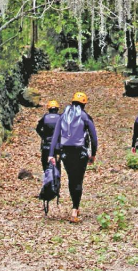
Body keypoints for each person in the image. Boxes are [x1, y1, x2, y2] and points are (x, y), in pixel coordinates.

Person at [49, 92, 98, 223]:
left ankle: (74, 205)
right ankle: (75, 209)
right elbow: (93, 137)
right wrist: (93, 154)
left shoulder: (63, 116)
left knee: (71, 179)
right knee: (78, 180)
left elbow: (55, 135)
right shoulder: (85, 117)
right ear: (84, 104)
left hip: (66, 153)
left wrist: (51, 154)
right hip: (80, 153)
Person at [35, 100, 61, 171]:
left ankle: (46, 174)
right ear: (57, 109)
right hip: (58, 145)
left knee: (44, 161)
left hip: (46, 144)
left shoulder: (45, 117)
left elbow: (38, 128)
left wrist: (43, 136)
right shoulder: (60, 117)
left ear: (49, 109)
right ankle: (57, 177)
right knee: (58, 163)